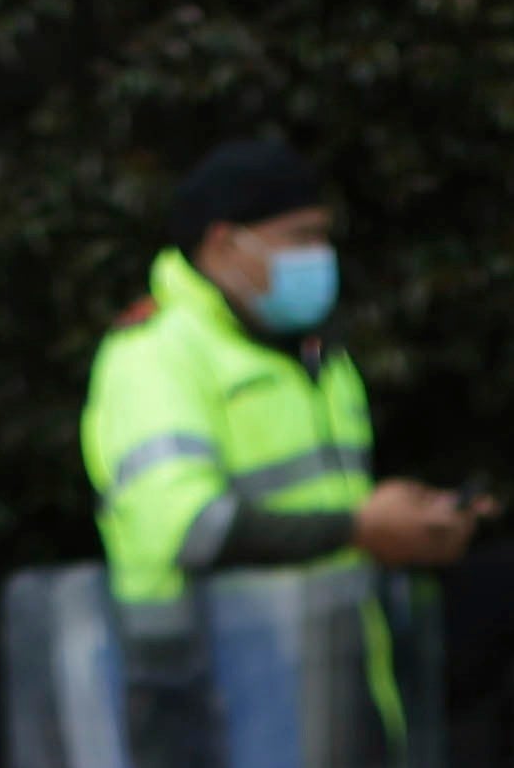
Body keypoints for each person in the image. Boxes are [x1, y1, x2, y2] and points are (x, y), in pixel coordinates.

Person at [86, 135, 486, 608]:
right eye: (300, 237)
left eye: (323, 236)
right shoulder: (155, 354)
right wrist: (361, 529)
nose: (320, 254)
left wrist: (411, 523)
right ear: (225, 244)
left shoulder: (311, 352)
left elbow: (329, 516)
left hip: (317, 655)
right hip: (206, 667)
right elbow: (185, 529)